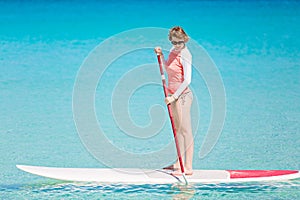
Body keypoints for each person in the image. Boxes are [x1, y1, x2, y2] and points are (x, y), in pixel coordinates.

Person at [154, 26, 194, 176]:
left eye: (180, 42)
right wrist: (160, 56)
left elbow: (187, 80)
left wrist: (174, 97)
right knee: (177, 130)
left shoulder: (186, 55)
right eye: (174, 42)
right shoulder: (172, 51)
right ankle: (179, 163)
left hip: (182, 96)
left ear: (184, 40)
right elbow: (168, 68)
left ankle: (188, 167)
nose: (177, 45)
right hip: (172, 95)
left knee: (185, 131)